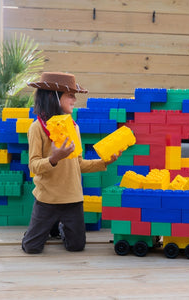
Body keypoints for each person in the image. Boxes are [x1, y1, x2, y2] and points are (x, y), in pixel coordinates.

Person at [22, 72, 120, 254]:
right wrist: (54, 158)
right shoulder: (37, 128)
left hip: (72, 199)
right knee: (31, 247)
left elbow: (79, 164)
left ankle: (58, 228)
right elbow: (34, 166)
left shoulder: (74, 127)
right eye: (70, 95)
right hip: (47, 199)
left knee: (76, 246)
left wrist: (103, 162)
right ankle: (43, 228)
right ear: (53, 96)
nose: (75, 99)